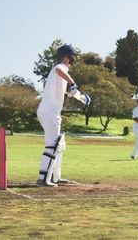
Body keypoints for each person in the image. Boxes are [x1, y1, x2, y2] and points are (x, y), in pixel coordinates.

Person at [36, 44, 90, 187]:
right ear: (66, 57)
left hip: (49, 112)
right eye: (72, 57)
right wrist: (73, 82)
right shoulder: (59, 68)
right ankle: (43, 179)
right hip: (50, 113)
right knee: (52, 145)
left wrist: (82, 98)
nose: (74, 60)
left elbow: (69, 91)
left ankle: (55, 176)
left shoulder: (61, 74)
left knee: (59, 145)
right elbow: (60, 70)